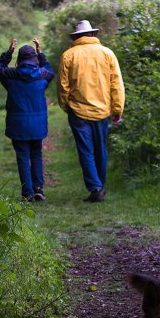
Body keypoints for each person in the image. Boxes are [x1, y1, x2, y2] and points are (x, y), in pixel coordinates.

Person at [57, 20, 125, 202]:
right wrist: (117, 108)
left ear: (77, 37)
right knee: (100, 149)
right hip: (103, 111)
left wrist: (66, 106)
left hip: (77, 111)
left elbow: (63, 87)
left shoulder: (68, 55)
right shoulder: (108, 54)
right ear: (93, 35)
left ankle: (95, 187)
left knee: (85, 150)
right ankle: (99, 186)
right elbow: (116, 84)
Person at [0, 37, 54, 201]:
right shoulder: (42, 76)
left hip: (18, 124)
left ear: (18, 59)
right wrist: (41, 55)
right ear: (34, 59)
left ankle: (27, 193)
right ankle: (38, 188)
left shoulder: (11, 75)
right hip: (37, 124)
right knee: (36, 154)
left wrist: (8, 54)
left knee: (22, 157)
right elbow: (50, 70)